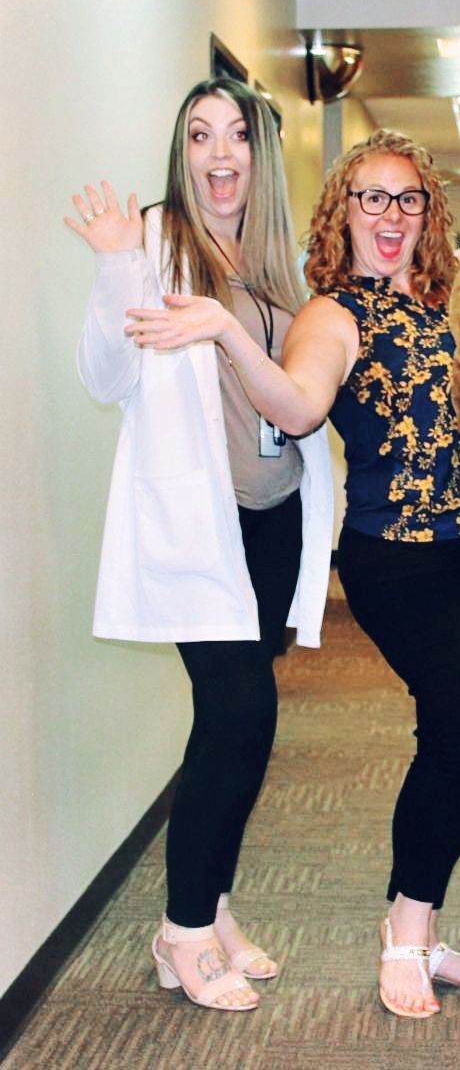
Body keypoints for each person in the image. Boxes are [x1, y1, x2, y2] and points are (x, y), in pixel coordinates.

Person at [124, 129, 460, 1020]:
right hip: (401, 561)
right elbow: (298, 406)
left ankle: (420, 917)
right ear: (345, 211)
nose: (391, 213)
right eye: (371, 197)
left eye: (409, 197)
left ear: (430, 213)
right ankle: (407, 927)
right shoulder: (332, 314)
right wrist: (226, 328)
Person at [66, 77, 334, 1011]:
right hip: (198, 528)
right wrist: (112, 266)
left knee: (233, 729)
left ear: (261, 152)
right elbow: (106, 375)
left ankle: (212, 909)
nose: (219, 155)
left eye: (237, 137)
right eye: (199, 136)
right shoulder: (153, 238)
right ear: (181, 153)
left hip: (272, 520)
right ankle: (180, 932)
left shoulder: (274, 259)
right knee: (240, 719)